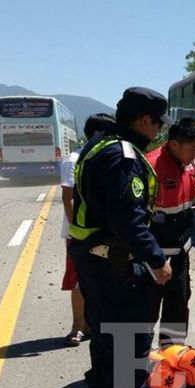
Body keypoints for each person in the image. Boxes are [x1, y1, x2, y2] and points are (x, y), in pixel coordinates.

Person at [68, 87, 173, 388]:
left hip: (93, 260)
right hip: (116, 265)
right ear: (145, 121)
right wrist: (157, 260)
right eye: (158, 123)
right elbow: (127, 219)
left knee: (105, 337)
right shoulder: (124, 156)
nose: (159, 131)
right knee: (131, 344)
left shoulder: (97, 145)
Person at [146, 118, 195, 347]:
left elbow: (188, 191)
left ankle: (171, 356)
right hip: (152, 257)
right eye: (192, 149)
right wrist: (155, 259)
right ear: (173, 144)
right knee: (145, 309)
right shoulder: (150, 167)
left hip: (180, 254)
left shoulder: (188, 164)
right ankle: (136, 364)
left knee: (178, 305)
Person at [61, 113, 115, 347]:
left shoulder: (103, 157)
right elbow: (68, 198)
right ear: (97, 133)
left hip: (102, 233)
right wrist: (79, 231)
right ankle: (78, 327)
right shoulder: (74, 159)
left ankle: (94, 325)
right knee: (79, 281)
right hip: (80, 234)